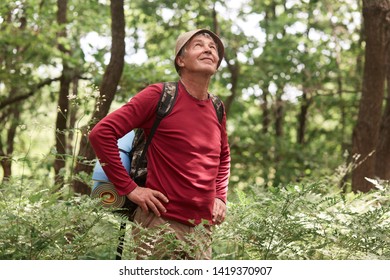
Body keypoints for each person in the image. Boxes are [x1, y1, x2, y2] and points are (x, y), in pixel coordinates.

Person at [89, 29, 230, 259]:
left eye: (213, 47)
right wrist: (131, 189)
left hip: (203, 231)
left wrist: (220, 197)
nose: (208, 49)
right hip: (159, 224)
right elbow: (101, 133)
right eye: (198, 45)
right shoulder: (159, 95)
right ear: (180, 60)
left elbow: (223, 157)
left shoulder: (217, 107)